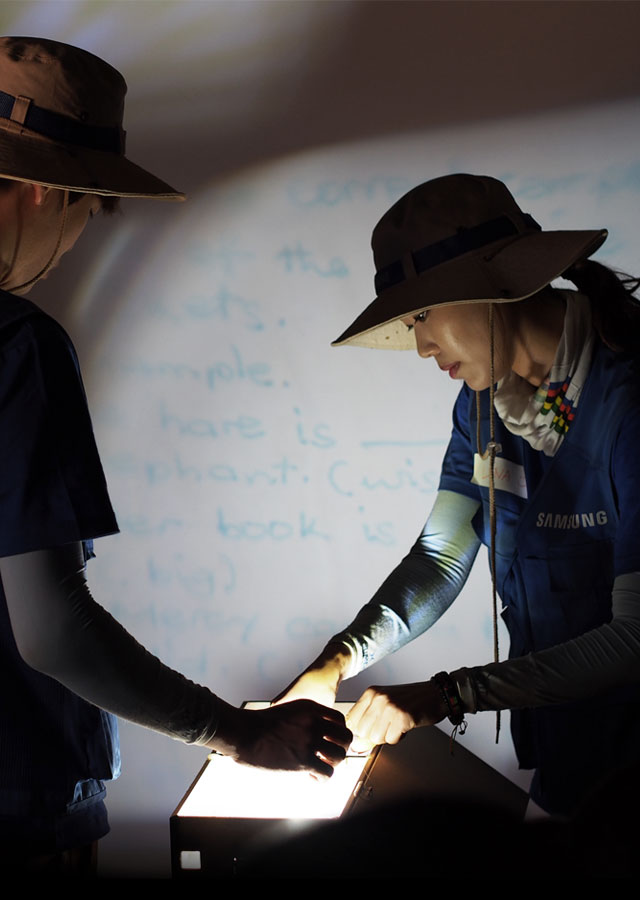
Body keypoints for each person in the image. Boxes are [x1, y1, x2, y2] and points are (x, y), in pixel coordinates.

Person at [0, 36, 350, 869]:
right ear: (51, 192)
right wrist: (236, 732)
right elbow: (50, 630)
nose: (79, 239)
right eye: (93, 211)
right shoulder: (18, 347)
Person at [276, 173, 640, 817]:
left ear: (489, 287)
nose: (419, 346)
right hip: (568, 757)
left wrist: (447, 696)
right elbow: (442, 555)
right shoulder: (484, 408)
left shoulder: (628, 402)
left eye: (422, 315)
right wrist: (338, 660)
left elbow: (635, 636)